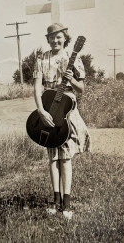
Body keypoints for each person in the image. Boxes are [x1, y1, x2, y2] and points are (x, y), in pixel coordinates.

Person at [33, 23, 91, 219]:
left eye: (59, 37)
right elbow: (37, 86)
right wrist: (41, 111)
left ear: (66, 38)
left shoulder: (73, 58)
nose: (56, 41)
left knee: (65, 156)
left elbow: (81, 88)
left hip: (67, 111)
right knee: (52, 157)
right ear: (47, 39)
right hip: (49, 110)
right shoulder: (42, 59)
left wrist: (72, 79)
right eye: (52, 38)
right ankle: (55, 201)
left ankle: (66, 204)